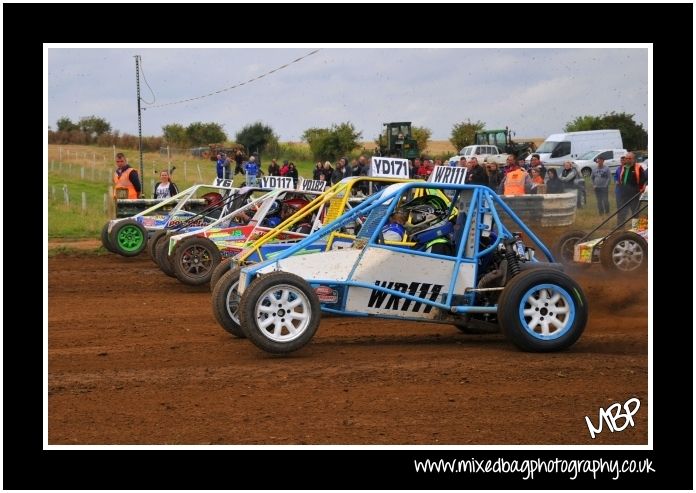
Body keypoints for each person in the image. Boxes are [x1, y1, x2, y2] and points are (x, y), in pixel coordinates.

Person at [615, 151, 647, 226]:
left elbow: (643, 179)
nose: (627, 160)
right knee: (621, 210)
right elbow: (621, 180)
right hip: (624, 193)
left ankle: (636, 228)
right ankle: (620, 227)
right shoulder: (624, 167)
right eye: (626, 158)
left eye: (629, 158)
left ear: (633, 159)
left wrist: (642, 188)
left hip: (634, 194)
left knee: (635, 212)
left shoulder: (638, 167)